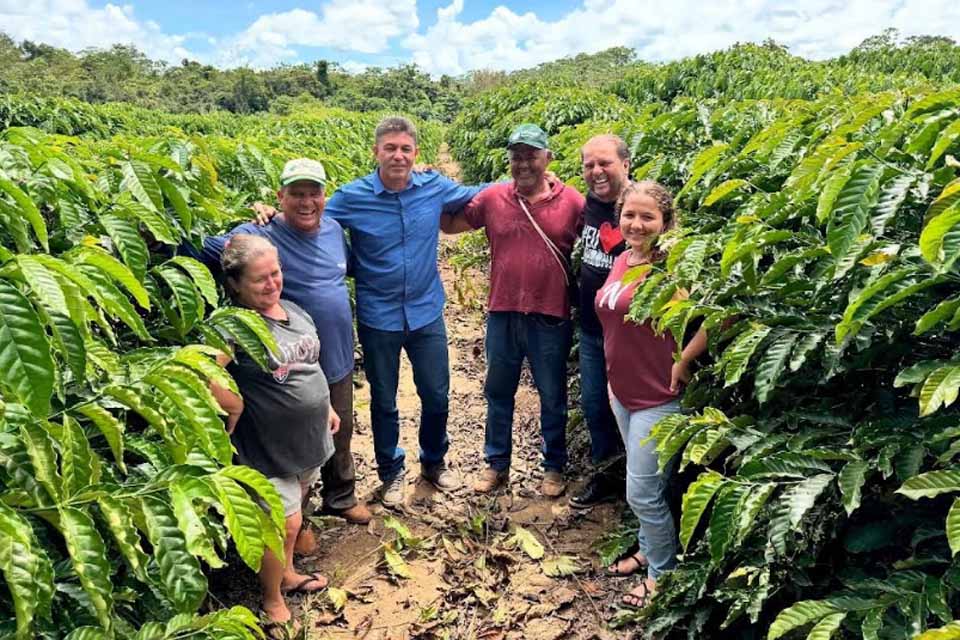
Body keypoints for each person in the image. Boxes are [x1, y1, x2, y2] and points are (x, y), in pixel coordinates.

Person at [195, 158, 371, 525]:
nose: (307, 202)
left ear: (325, 196)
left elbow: (347, 271)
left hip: (334, 353)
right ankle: (296, 520)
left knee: (339, 431)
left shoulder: (335, 231)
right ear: (280, 196)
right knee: (291, 439)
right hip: (287, 358)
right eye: (296, 194)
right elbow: (210, 250)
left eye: (314, 193)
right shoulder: (259, 234)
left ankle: (340, 497)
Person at [321, 116, 483, 506]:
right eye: (390, 148)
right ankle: (391, 471)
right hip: (379, 317)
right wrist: (264, 214)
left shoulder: (433, 187)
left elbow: (481, 193)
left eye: (405, 149)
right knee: (384, 400)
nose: (398, 155)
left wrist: (530, 183)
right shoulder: (351, 196)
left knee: (437, 394)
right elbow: (308, 217)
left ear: (416, 154)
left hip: (426, 312)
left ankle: (433, 461)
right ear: (376, 151)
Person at [442, 123, 585, 497]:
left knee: (552, 395)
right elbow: (452, 223)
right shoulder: (493, 198)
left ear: (548, 158)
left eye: (531, 156)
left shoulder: (573, 202)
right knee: (498, 391)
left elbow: (601, 237)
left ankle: (554, 467)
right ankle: (496, 464)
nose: (523, 164)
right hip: (503, 310)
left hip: (551, 314)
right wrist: (423, 189)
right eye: (517, 156)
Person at [209, 234, 340, 630]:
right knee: (282, 523)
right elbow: (202, 371)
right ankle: (272, 599)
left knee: (294, 514)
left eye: (276, 273)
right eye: (260, 279)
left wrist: (327, 405)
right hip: (265, 448)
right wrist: (233, 402)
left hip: (305, 442)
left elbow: (309, 364)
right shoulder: (233, 326)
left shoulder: (293, 311)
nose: (272, 284)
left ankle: (285, 573)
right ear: (234, 284)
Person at [595, 181, 707, 608]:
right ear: (618, 216)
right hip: (622, 389)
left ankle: (664, 576)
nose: (637, 224)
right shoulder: (623, 258)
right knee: (647, 485)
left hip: (660, 395)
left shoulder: (672, 268)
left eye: (648, 217)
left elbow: (722, 314)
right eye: (629, 215)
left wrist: (686, 359)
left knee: (642, 491)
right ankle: (648, 549)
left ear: (665, 222)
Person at [570, 134, 631, 509]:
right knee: (595, 406)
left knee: (632, 409)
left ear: (626, 163)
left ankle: (641, 488)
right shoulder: (587, 205)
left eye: (605, 163)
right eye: (589, 165)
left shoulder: (640, 205)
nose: (597, 171)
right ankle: (607, 474)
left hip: (633, 337)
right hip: (593, 331)